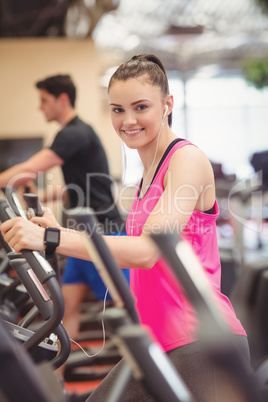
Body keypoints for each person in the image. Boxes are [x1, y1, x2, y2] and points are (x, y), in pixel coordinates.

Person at [1, 55, 252, 402]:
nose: (128, 120)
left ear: (167, 104)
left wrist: (52, 237)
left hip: (199, 343)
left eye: (140, 107)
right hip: (159, 344)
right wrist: (57, 229)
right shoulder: (145, 178)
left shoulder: (187, 160)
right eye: (117, 110)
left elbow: (149, 252)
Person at [0, 74, 128, 345]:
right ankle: (59, 378)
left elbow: (29, 169)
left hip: (103, 234)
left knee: (131, 308)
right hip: (80, 235)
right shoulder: (78, 133)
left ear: (62, 99)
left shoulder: (74, 133)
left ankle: (149, 373)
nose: (40, 107)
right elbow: (77, 187)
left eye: (44, 100)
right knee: (64, 309)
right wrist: (43, 195)